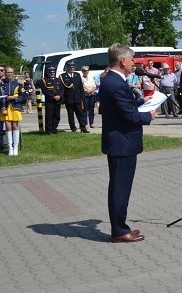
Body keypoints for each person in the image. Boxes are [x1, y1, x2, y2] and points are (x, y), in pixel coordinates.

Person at [100, 43, 156, 243]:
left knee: (119, 187)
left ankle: (120, 227)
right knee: (120, 189)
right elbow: (130, 117)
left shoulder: (111, 81)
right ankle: (119, 231)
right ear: (123, 60)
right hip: (121, 144)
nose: (134, 63)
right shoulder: (116, 84)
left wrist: (141, 103)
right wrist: (148, 115)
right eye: (132, 59)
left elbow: (123, 108)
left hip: (118, 142)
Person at [0, 67, 26, 156]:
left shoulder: (18, 83)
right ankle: (10, 148)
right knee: (8, 126)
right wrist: (2, 108)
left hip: (15, 107)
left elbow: (24, 96)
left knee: (15, 126)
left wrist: (15, 98)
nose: (9, 74)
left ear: (13, 73)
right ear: (5, 73)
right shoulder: (1, 84)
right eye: (8, 72)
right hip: (5, 107)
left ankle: (15, 147)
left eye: (11, 72)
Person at [60, 61, 89, 133]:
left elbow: (80, 87)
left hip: (77, 98)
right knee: (70, 115)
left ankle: (83, 127)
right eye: (70, 67)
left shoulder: (77, 75)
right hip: (68, 98)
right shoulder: (63, 76)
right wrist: (63, 99)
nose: (72, 68)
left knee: (80, 114)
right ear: (67, 68)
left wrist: (82, 97)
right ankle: (73, 128)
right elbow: (62, 89)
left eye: (73, 67)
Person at [38, 66, 63, 134]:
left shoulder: (58, 80)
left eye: (53, 72)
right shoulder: (44, 80)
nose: (52, 73)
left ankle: (54, 128)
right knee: (49, 115)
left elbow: (62, 89)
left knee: (57, 115)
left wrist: (59, 96)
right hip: (50, 101)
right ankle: (48, 130)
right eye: (50, 72)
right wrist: (53, 96)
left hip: (58, 100)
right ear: (47, 72)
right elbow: (45, 90)